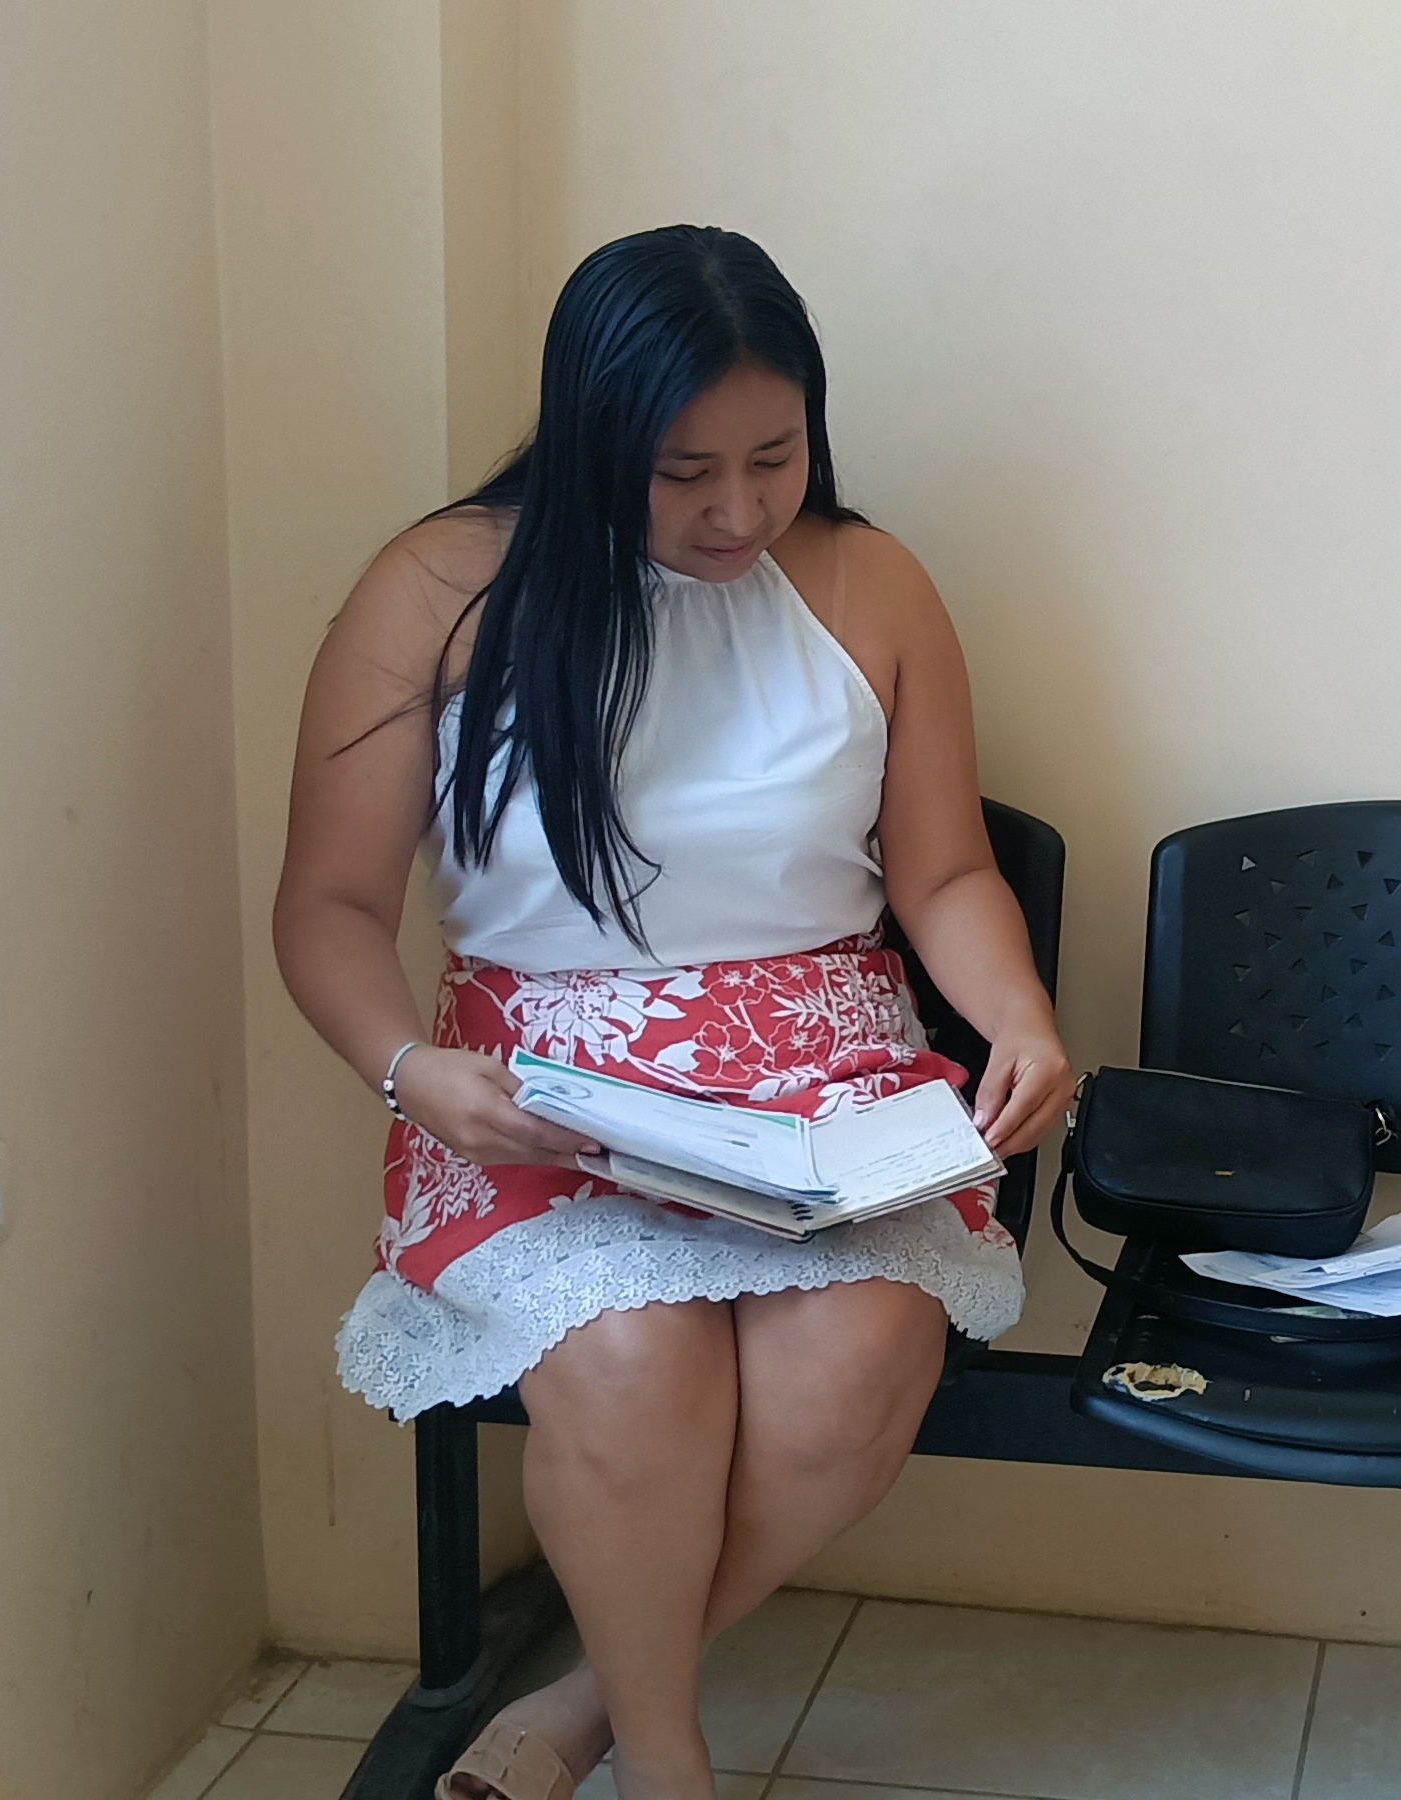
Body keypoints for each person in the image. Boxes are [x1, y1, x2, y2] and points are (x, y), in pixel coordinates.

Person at [273, 226, 1068, 1800]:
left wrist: (1022, 1019)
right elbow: (329, 907)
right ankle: (665, 1761)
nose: (737, 512)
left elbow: (946, 872)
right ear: (590, 440)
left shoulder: (873, 582)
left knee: (849, 1376)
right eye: (682, 472)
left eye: (776, 458)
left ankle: (584, 1710)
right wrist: (408, 1069)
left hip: (828, 1091)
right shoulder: (436, 591)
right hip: (541, 1098)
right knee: (637, 1372)